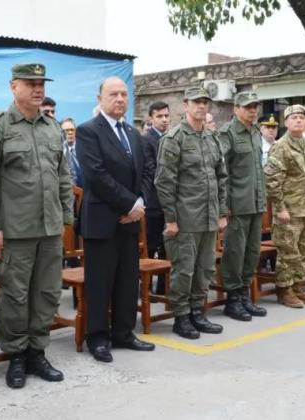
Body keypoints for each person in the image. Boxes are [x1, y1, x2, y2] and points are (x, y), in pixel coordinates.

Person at [0, 63, 73, 389]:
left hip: (49, 229)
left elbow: (63, 177)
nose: (38, 89)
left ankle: (37, 352)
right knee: (15, 296)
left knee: (46, 293)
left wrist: (66, 219)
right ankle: (15, 356)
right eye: (30, 83)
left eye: (41, 83)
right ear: (13, 86)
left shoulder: (52, 128)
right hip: (14, 231)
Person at [76, 76, 155, 363]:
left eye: (124, 94)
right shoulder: (88, 132)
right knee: (100, 282)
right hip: (102, 220)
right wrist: (128, 203)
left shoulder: (133, 134)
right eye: (113, 94)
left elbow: (147, 171)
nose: (120, 99)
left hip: (131, 220)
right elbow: (96, 175)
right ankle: (97, 337)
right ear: (100, 99)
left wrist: (140, 202)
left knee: (126, 279)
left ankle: (124, 332)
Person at [155, 87, 227, 339]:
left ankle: (198, 312)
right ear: (185, 105)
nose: (201, 106)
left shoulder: (211, 138)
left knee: (205, 268)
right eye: (196, 102)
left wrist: (221, 212)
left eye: (205, 102)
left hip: (208, 217)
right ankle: (181, 317)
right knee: (184, 270)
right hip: (185, 218)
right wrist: (171, 219)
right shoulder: (174, 139)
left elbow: (221, 177)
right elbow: (164, 182)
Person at [265, 104, 305, 308]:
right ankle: (285, 289)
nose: (298, 120)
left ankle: (297, 286)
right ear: (286, 122)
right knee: (288, 252)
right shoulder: (281, 146)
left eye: (302, 117)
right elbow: (273, 180)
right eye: (294, 118)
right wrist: (280, 208)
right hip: (289, 210)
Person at [217, 91, 269, 321]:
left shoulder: (256, 132)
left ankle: (244, 293)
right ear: (236, 109)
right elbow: (222, 171)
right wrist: (224, 205)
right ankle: (233, 298)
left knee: (252, 251)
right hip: (237, 204)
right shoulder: (227, 133)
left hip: (256, 202)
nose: (252, 110)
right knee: (235, 253)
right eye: (247, 107)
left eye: (255, 106)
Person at [141, 101, 170, 292]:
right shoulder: (145, 140)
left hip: (169, 202)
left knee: (167, 247)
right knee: (151, 247)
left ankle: (162, 288)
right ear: (151, 118)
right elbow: (151, 171)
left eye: (167, 116)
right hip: (153, 202)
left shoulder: (171, 138)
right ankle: (144, 287)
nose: (164, 120)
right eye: (160, 116)